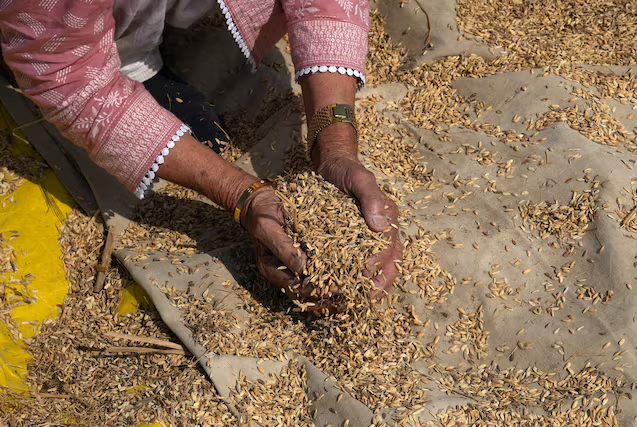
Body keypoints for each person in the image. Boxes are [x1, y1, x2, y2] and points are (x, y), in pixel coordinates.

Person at [0, 0, 402, 312]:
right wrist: (241, 194)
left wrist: (335, 146)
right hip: (53, 25)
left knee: (198, 132)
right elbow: (66, 73)